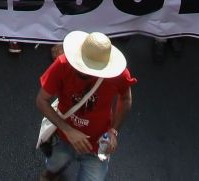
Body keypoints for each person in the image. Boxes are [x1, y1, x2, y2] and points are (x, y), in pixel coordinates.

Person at [36, 30, 133, 180]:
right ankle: (49, 176)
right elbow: (41, 100)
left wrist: (113, 132)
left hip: (98, 145)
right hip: (63, 138)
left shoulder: (119, 75)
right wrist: (68, 130)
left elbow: (126, 98)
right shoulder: (62, 64)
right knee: (53, 166)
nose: (82, 71)